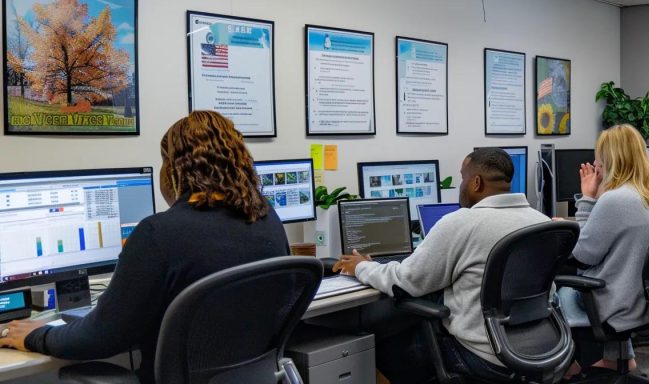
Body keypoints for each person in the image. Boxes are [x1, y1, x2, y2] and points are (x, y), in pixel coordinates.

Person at [0, 111, 290, 384]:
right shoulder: (266, 217)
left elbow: (100, 337)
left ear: (176, 168)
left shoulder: (159, 233)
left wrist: (39, 335)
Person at [332, 148, 549, 383]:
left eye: (462, 177)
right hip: (539, 347)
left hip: (483, 354)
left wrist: (361, 267)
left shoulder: (461, 223)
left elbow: (407, 281)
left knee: (383, 343)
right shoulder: (541, 221)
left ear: (476, 183)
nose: (461, 184)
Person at [556, 124, 649, 373]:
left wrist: (587, 198)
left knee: (554, 292)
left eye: (599, 161)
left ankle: (568, 366)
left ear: (611, 160)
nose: (596, 165)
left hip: (612, 302)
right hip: (638, 299)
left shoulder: (615, 199)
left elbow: (583, 255)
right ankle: (619, 358)